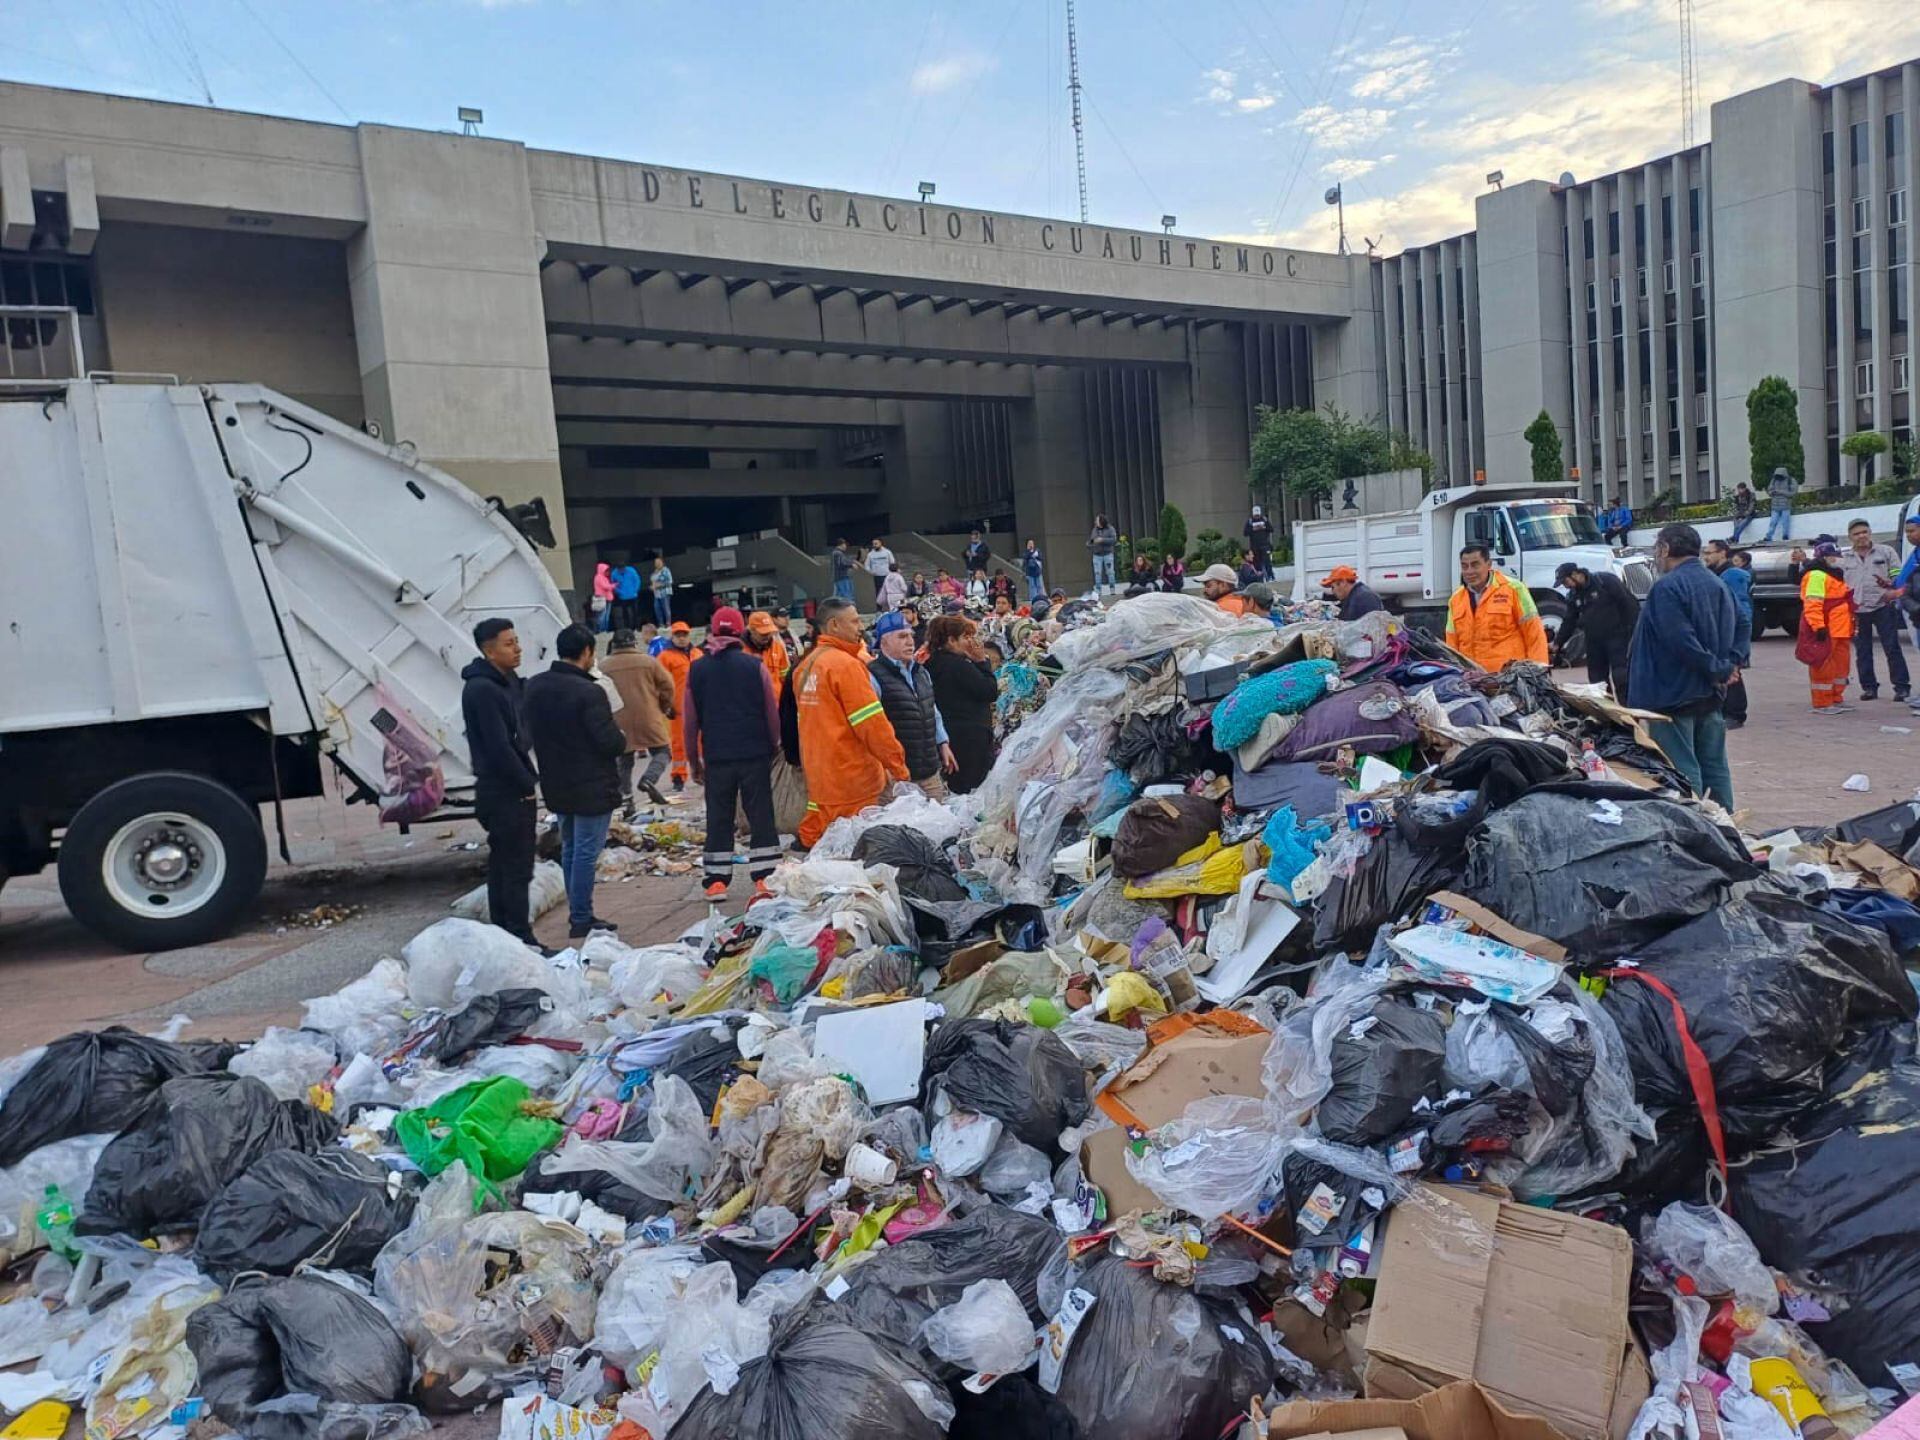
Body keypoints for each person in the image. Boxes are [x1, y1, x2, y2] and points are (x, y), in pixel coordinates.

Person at [523, 623, 625, 939]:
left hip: (556, 780)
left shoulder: (535, 686)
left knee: (569, 847)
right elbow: (609, 742)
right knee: (584, 851)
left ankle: (578, 912)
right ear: (587, 652)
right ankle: (581, 916)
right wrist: (620, 738)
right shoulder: (589, 691)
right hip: (591, 784)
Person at [1627, 524, 1737, 809]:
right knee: (1714, 766)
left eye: (1656, 550)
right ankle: (1728, 826)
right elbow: (1742, 624)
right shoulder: (1716, 582)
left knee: (1681, 769)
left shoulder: (1667, 587)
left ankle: (1696, 828)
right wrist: (1727, 666)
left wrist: (1717, 668)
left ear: (1665, 549)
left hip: (1672, 695)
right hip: (1710, 693)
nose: (1656, 557)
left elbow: (1679, 640)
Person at [682, 606, 782, 901]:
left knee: (719, 815)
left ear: (712, 631)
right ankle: (765, 878)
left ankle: (716, 881)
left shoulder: (697, 669)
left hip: (717, 756)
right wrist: (774, 745)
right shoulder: (754, 666)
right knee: (760, 813)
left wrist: (693, 761)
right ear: (740, 631)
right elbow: (770, 712)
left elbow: (689, 722)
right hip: (754, 753)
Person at [792, 596, 909, 847]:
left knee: (829, 855)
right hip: (853, 782)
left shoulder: (806, 666)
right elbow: (872, 726)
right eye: (855, 621)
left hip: (820, 781)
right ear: (834, 625)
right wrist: (898, 767)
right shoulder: (845, 666)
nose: (860, 628)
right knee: (857, 858)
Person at [461, 618, 542, 949]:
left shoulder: (506, 683)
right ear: (488, 650)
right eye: (509, 643)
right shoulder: (482, 689)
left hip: (511, 786)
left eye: (517, 640)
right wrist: (526, 783)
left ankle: (511, 935)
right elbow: (498, 746)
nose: (518, 648)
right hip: (503, 790)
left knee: (512, 865)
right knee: (513, 867)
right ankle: (518, 937)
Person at [870, 608, 957, 797]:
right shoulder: (873, 675)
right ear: (884, 641)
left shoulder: (920, 672)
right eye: (902, 637)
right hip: (896, 777)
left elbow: (931, 709)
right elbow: (872, 727)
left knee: (939, 822)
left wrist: (942, 743)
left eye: (910, 635)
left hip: (928, 770)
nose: (910, 641)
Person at [600, 628, 677, 812]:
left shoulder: (603, 666)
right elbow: (668, 685)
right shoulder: (648, 662)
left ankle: (627, 800)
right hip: (648, 717)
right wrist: (664, 706)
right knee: (663, 751)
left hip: (617, 719)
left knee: (624, 759)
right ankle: (649, 778)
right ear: (634, 643)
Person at [1837, 518, 1909, 701]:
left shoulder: (1886, 552)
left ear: (1870, 533)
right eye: (1856, 534)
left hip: (1883, 606)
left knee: (1892, 647)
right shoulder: (1845, 558)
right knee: (1863, 650)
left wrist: (1891, 585)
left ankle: (1901, 687)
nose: (1861, 536)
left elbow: (1898, 575)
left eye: (1864, 532)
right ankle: (1869, 688)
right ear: (1850, 537)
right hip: (1857, 610)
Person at [1447, 543, 1549, 671]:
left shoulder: (1513, 589)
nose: (1469, 571)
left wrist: (1539, 671)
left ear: (1489, 564)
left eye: (1475, 565)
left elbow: (1534, 633)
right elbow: (1452, 644)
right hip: (1473, 680)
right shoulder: (1456, 599)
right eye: (1464, 566)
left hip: (1510, 677)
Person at [926, 615, 998, 793]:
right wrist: (982, 662)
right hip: (970, 741)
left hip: (952, 737)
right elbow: (988, 691)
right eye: (966, 638)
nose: (971, 642)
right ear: (951, 640)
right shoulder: (958, 666)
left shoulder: (932, 663)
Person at [1553, 561, 1639, 703]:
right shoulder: (1573, 596)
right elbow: (1569, 621)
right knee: (1597, 682)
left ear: (1575, 574)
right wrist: (1557, 644)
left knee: (1622, 677)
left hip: (1618, 637)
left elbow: (1629, 606)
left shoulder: (1605, 582)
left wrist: (1633, 633)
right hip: (1594, 642)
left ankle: (1628, 715)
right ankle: (1607, 716)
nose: (1565, 585)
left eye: (1565, 581)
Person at [1800, 541, 1857, 714]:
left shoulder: (1834, 574)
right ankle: (1822, 702)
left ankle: (1835, 698)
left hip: (1841, 628)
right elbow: (1813, 603)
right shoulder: (1817, 575)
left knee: (1840, 666)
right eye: (1834, 555)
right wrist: (1818, 626)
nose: (1837, 559)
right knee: (1823, 665)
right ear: (1824, 557)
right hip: (1828, 628)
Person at [1704, 541, 1752, 728]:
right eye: (1705, 553)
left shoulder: (1731, 575)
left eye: (1709, 553)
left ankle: (1735, 713)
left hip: (1730, 630)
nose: (1706, 556)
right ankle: (1727, 710)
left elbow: (1739, 608)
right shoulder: (1717, 574)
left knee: (1732, 671)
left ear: (1722, 553)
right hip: (1721, 629)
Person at [656, 621, 704, 789]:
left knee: (703, 742)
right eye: (678, 635)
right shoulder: (665, 657)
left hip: (700, 706)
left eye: (684, 635)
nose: (682, 638)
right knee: (678, 744)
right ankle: (678, 777)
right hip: (678, 709)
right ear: (673, 637)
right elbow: (660, 683)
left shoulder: (698, 653)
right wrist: (666, 705)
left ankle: (705, 772)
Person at [1763, 466, 1798, 542]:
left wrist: (1780, 492)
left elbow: (1792, 493)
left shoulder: (1791, 480)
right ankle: (1768, 536)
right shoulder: (1774, 480)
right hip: (1775, 506)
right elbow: (1769, 491)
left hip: (1786, 506)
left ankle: (1785, 536)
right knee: (1773, 522)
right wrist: (1772, 492)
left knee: (1785, 522)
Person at [1087, 514, 1118, 594]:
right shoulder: (1094, 530)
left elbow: (1114, 540)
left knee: (1110, 572)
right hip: (1097, 555)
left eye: (1097, 520)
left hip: (1108, 554)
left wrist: (1102, 540)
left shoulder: (1110, 529)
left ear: (1101, 521)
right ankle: (1098, 590)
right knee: (1097, 573)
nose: (1095, 522)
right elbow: (1092, 540)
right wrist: (1090, 543)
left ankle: (1112, 588)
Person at [608, 559, 641, 631]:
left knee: (635, 612)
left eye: (623, 569)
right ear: (617, 569)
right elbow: (613, 585)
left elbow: (637, 580)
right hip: (623, 597)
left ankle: (637, 627)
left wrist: (635, 590)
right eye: (620, 569)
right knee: (625, 614)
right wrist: (619, 592)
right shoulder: (614, 574)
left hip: (633, 595)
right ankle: (627, 628)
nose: (622, 570)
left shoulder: (631, 571)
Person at [1244, 504, 1275, 579]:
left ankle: (1270, 576)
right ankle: (1259, 577)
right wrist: (1253, 529)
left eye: (1258, 515)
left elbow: (1271, 529)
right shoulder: (1250, 521)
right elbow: (1245, 533)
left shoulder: (1264, 520)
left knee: (1267, 562)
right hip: (1255, 546)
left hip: (1265, 545)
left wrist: (1263, 527)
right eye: (1255, 515)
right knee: (1256, 563)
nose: (1257, 517)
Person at [864, 538, 896, 607]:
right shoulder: (870, 554)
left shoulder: (887, 552)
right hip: (877, 576)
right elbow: (866, 565)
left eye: (876, 543)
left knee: (889, 592)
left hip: (887, 576)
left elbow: (892, 563)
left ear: (881, 543)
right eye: (873, 544)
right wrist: (871, 572)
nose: (874, 545)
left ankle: (890, 607)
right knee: (879, 592)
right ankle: (879, 608)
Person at [649, 555, 674, 627]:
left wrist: (659, 585)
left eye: (658, 562)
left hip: (665, 592)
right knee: (657, 608)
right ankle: (661, 624)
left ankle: (668, 623)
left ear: (662, 562)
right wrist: (652, 587)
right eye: (656, 562)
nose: (657, 564)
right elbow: (653, 581)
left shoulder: (666, 571)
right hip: (656, 594)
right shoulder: (654, 572)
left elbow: (670, 581)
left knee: (666, 608)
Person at [591, 562, 616, 632]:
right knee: (602, 616)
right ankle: (600, 629)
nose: (608, 572)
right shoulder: (598, 577)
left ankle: (605, 629)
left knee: (606, 616)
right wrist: (614, 585)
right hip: (601, 599)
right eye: (606, 571)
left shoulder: (604, 578)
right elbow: (605, 587)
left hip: (608, 598)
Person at [1022, 539, 1046, 603]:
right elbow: (1025, 558)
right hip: (1030, 572)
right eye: (1029, 543)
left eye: (1032, 543)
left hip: (1037, 571)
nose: (1031, 545)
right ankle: (1033, 598)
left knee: (1039, 585)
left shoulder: (1037, 550)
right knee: (1032, 586)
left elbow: (1041, 558)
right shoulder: (1026, 552)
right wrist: (1030, 552)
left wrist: (1036, 555)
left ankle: (1041, 597)